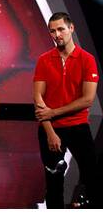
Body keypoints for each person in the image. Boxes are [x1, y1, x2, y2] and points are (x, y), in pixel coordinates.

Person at [33, 12, 99, 208]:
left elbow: (87, 99)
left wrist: (53, 112)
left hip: (78, 127)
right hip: (50, 130)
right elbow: (38, 99)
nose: (57, 35)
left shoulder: (87, 59)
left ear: (71, 28)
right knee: (53, 184)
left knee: (93, 180)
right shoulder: (44, 60)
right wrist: (50, 132)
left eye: (61, 29)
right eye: (52, 31)